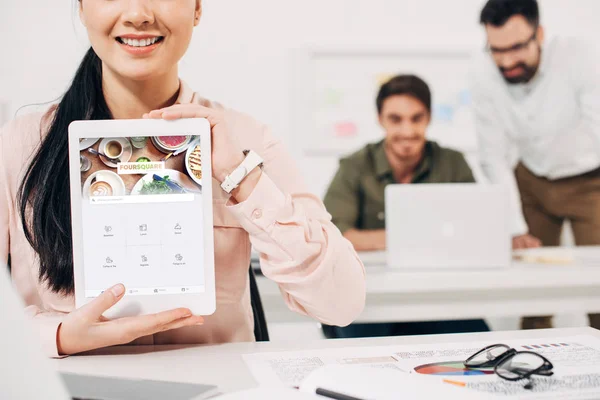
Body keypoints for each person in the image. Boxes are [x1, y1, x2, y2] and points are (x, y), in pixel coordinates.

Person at [0, 0, 366, 357]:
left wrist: (241, 178)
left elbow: (342, 303)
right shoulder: (19, 146)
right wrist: (58, 336)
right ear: (81, 7)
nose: (138, 14)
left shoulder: (247, 139)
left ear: (197, 8)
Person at [322, 75, 489, 338]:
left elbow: (477, 228)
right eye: (395, 119)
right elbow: (334, 234)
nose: (408, 131)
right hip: (369, 298)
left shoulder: (453, 163)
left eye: (416, 118)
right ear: (380, 119)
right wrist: (422, 238)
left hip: (437, 297)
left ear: (429, 117)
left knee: (481, 344)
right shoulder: (354, 166)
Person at [473, 0, 600, 330]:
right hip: (531, 179)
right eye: (497, 49)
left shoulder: (579, 57)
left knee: (597, 287)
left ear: (539, 34)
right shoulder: (485, 75)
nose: (507, 60)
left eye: (516, 47)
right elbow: (493, 156)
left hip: (590, 181)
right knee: (531, 291)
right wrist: (514, 226)